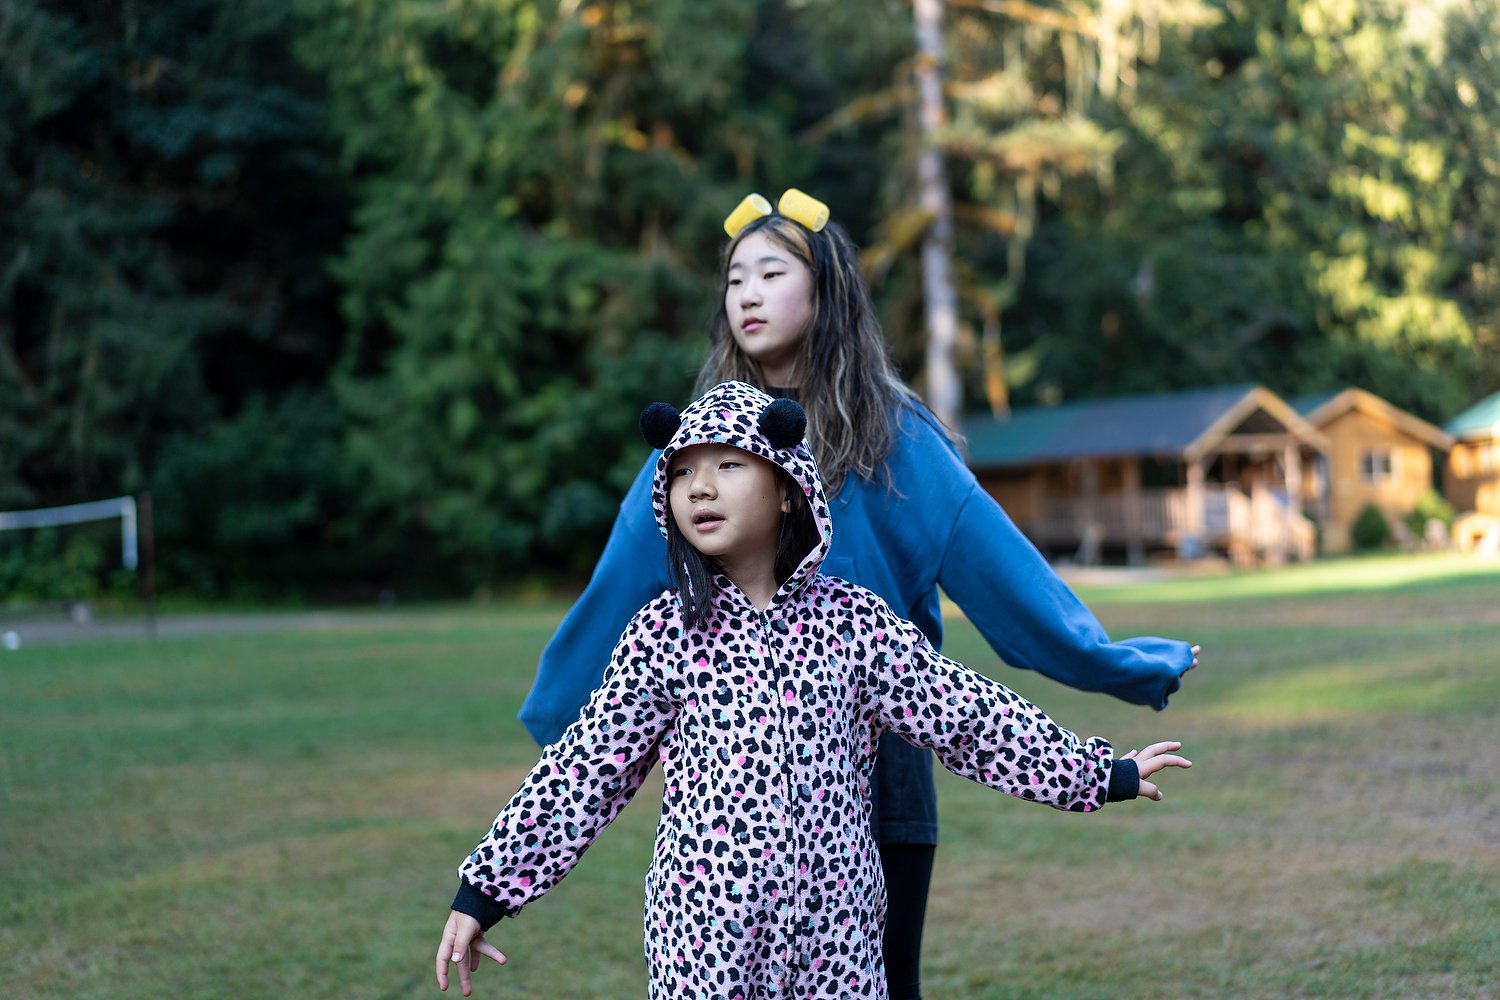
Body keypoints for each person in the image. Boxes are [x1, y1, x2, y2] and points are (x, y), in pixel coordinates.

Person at [518, 189, 1200, 999]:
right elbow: (622, 586)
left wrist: (1112, 664)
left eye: (772, 273)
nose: (748, 294)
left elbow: (1004, 575)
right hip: (733, 795)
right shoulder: (699, 447)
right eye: (735, 279)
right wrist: (564, 719)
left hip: (881, 781)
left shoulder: (897, 438)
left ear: (826, 289)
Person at [436, 381, 1193, 998]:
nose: (701, 486)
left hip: (839, 947)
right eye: (685, 472)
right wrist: (483, 894)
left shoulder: (853, 626)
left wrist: (1102, 773)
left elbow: (969, 718)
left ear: (789, 489)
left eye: (729, 466)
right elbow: (584, 775)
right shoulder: (663, 636)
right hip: (706, 949)